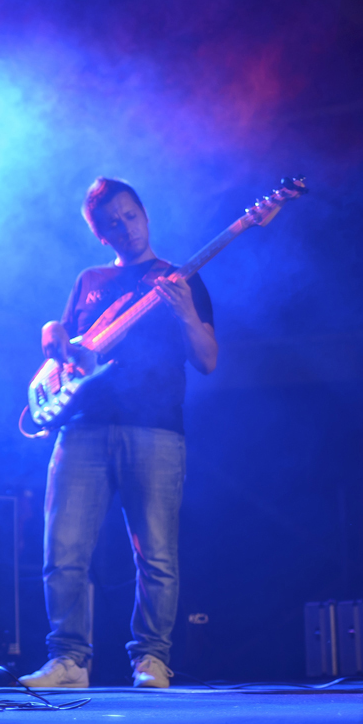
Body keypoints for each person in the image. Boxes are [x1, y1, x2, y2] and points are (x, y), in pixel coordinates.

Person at [20, 176, 217, 689]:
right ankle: (68, 660)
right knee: (62, 552)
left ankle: (151, 659)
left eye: (130, 215)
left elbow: (208, 360)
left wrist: (186, 312)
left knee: (156, 555)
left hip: (155, 429)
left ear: (145, 215)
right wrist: (53, 332)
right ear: (100, 234)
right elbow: (70, 348)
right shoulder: (89, 281)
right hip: (81, 428)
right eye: (113, 223)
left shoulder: (179, 278)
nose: (126, 227)